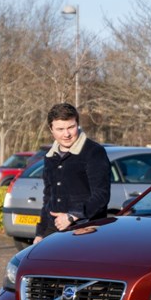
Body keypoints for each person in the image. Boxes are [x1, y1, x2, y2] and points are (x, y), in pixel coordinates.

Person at [33, 103, 111, 244]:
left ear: (77, 124)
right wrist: (40, 233)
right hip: (53, 231)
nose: (66, 134)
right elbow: (48, 197)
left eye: (71, 127)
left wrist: (72, 216)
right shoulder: (50, 157)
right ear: (51, 130)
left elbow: (101, 195)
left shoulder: (94, 152)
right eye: (60, 129)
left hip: (86, 230)